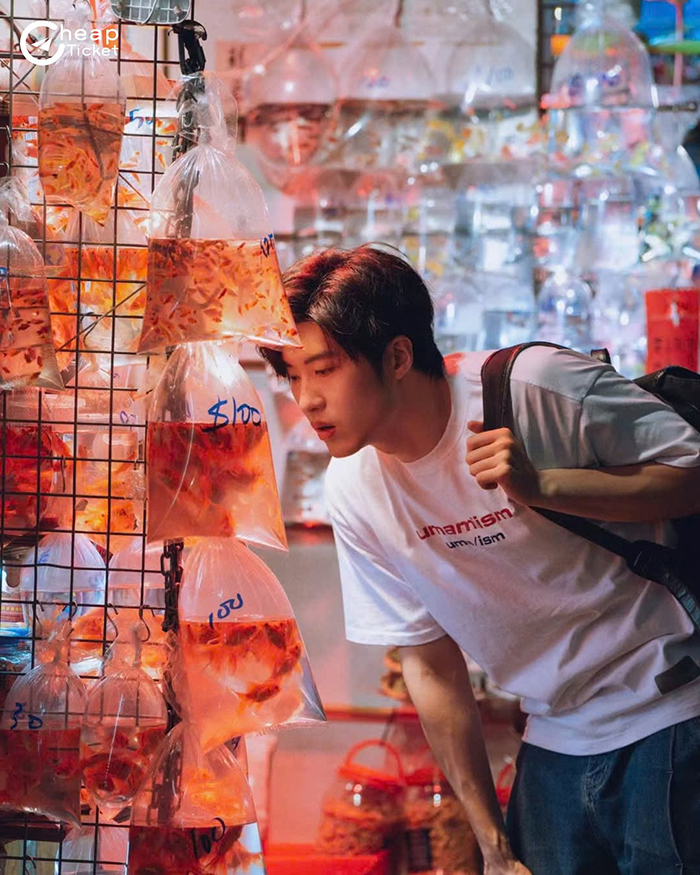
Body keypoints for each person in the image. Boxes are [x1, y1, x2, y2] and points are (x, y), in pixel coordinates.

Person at [259, 244, 700, 875]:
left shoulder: (533, 386)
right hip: (551, 735)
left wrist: (546, 487)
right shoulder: (353, 488)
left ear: (399, 356)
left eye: (324, 370)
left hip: (670, 710)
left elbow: (693, 467)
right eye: (293, 377)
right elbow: (429, 663)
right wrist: (490, 843)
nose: (307, 399)